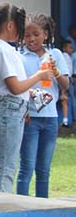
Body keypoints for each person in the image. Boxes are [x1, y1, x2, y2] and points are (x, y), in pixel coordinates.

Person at [0, 3, 53, 193]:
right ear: (10, 26)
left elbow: (16, 86)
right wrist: (39, 76)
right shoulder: (2, 50)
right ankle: (0, 204)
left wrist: (30, 95)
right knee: (6, 167)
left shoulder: (5, 49)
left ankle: (1, 202)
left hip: (14, 108)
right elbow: (14, 87)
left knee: (8, 165)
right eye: (20, 27)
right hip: (8, 109)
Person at [17, 14, 70, 198]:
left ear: (46, 35)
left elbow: (65, 85)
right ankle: (21, 205)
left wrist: (56, 71)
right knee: (26, 167)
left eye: (36, 34)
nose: (31, 39)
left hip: (50, 118)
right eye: (27, 35)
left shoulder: (55, 55)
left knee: (44, 169)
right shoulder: (20, 57)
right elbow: (17, 85)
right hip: (29, 118)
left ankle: (42, 205)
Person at [59, 39, 73, 126]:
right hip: (64, 80)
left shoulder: (68, 56)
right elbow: (66, 69)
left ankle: (65, 120)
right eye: (70, 47)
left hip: (66, 79)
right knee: (64, 99)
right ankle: (65, 120)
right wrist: (69, 77)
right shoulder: (64, 56)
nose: (72, 49)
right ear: (64, 48)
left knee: (65, 100)